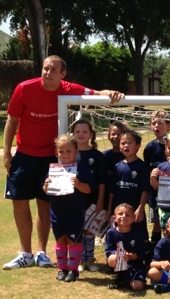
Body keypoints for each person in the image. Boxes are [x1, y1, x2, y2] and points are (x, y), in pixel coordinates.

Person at [2, 55, 123, 270]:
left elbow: (95, 93)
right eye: (45, 68)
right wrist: (6, 153)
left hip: (51, 158)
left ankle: (41, 253)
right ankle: (25, 253)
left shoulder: (67, 89)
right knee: (19, 202)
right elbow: (12, 120)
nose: (48, 73)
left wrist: (112, 93)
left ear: (62, 74)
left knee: (45, 203)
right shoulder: (24, 88)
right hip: (24, 155)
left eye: (53, 70)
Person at [43, 134, 95, 283]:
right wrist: (46, 185)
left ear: (76, 151)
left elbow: (89, 189)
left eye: (69, 151)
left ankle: (73, 270)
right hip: (56, 213)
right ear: (56, 153)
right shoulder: (54, 170)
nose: (65, 154)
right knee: (60, 241)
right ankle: (62, 269)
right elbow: (45, 190)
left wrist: (79, 185)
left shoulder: (82, 170)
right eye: (61, 151)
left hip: (75, 213)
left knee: (73, 242)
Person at [107, 130, 151, 259]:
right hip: (120, 211)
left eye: (129, 143)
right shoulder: (117, 167)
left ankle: (144, 259)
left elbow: (145, 190)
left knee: (141, 235)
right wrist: (109, 209)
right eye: (123, 143)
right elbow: (112, 191)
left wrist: (140, 208)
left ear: (137, 146)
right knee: (119, 234)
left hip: (135, 210)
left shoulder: (142, 166)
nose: (125, 146)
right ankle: (118, 260)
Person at [71, 119, 106, 273]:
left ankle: (89, 259)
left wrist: (100, 201)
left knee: (89, 230)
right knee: (77, 229)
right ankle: (78, 259)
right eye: (77, 132)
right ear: (72, 134)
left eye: (85, 132)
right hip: (73, 200)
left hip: (92, 200)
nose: (81, 135)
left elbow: (102, 182)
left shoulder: (97, 156)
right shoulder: (69, 153)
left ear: (91, 134)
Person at [143, 110, 170, 245]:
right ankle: (155, 250)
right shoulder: (150, 148)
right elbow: (147, 170)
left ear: (168, 125)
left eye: (160, 123)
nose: (156, 126)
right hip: (155, 194)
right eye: (153, 123)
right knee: (157, 224)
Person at [105, 203, 147, 291]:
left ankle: (126, 279)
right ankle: (118, 276)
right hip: (117, 262)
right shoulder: (110, 233)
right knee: (112, 259)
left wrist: (129, 256)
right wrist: (119, 255)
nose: (124, 216)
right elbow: (109, 251)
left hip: (134, 264)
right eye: (120, 214)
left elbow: (141, 254)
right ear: (114, 218)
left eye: (128, 215)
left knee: (137, 286)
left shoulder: (137, 233)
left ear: (133, 219)